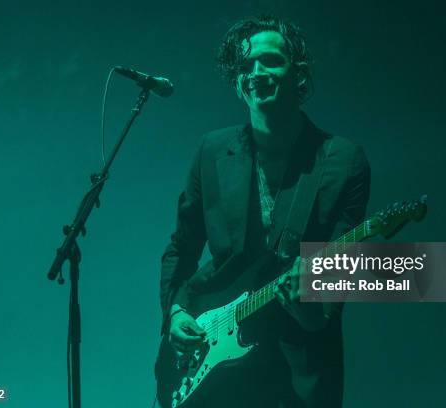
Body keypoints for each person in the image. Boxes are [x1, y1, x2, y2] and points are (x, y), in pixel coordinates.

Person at [158, 15, 371, 407]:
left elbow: (337, 278)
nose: (256, 72)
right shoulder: (212, 151)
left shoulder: (342, 161)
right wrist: (174, 313)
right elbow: (181, 248)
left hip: (294, 375)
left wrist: (312, 314)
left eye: (270, 61)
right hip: (212, 368)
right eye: (245, 65)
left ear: (299, 74)